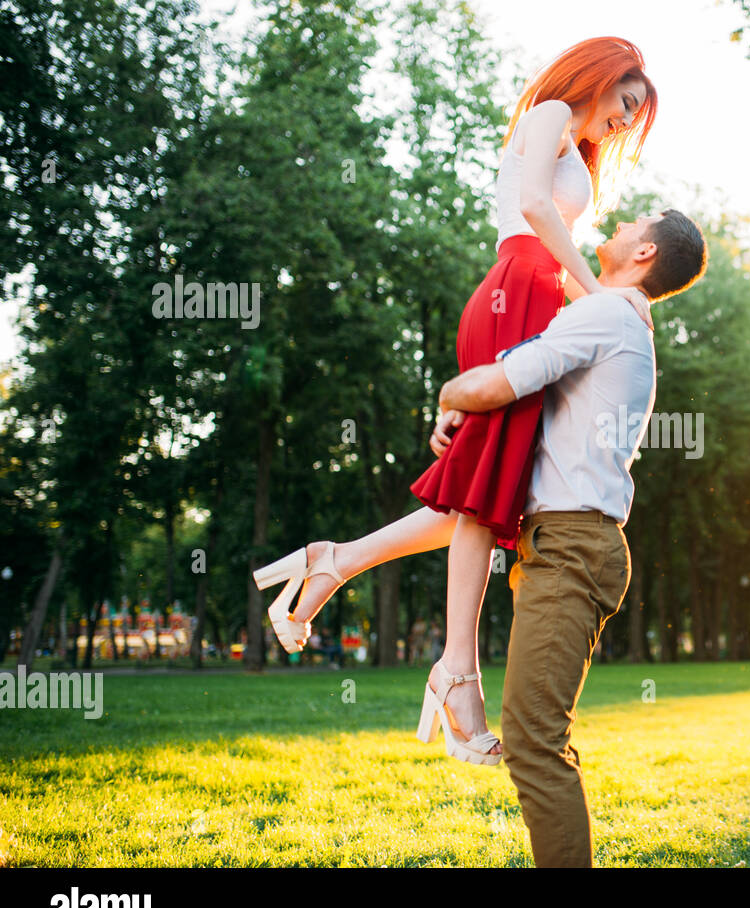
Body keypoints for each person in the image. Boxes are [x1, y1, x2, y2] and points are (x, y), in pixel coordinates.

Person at [253, 37, 659, 762]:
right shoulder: (551, 112)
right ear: (603, 76)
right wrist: (601, 295)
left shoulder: (576, 146)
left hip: (534, 300)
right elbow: (533, 209)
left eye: (635, 118)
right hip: (515, 294)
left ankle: (337, 562)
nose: (625, 123)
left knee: (484, 493)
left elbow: (550, 246)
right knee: (482, 499)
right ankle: (455, 669)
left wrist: (613, 303)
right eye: (628, 103)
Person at [428, 208, 707, 865]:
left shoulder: (610, 315)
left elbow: (501, 381)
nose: (616, 219)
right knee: (537, 737)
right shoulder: (617, 315)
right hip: (565, 542)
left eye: (635, 219)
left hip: (573, 543)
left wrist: (447, 392)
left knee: (532, 741)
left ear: (644, 251)